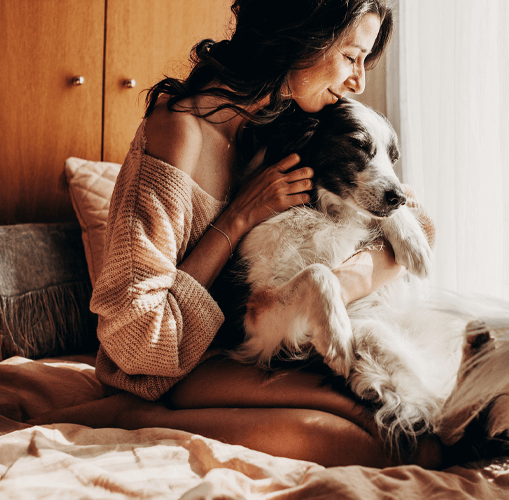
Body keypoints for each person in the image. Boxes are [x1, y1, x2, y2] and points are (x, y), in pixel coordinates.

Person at [41, 0, 439, 468]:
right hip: (179, 368)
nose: (359, 82)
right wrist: (236, 219)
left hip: (262, 344)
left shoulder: (292, 123)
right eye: (352, 57)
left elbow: (422, 227)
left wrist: (347, 278)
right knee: (367, 437)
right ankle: (134, 420)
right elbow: (135, 339)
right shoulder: (178, 134)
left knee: (415, 423)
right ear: (301, 36)